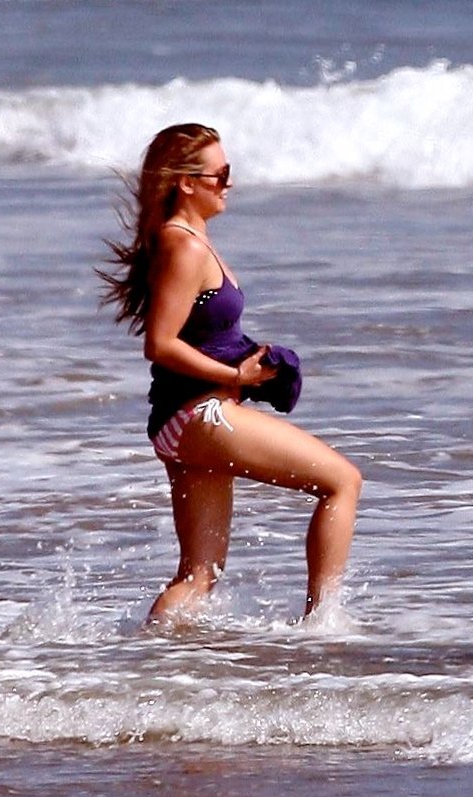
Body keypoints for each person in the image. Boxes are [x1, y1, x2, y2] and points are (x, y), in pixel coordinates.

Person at [99, 123, 361, 623]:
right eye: (220, 175)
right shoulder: (186, 247)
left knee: (200, 574)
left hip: (182, 418)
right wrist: (235, 376)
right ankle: (324, 627)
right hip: (198, 414)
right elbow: (160, 343)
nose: (229, 183)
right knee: (342, 482)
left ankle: (152, 653)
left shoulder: (189, 240)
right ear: (186, 183)